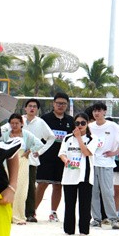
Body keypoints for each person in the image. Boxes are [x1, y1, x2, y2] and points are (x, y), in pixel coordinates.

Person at [88, 102, 119, 229]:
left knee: (107, 192)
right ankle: (96, 219)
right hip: (92, 162)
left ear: (104, 112)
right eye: (95, 111)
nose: (96, 113)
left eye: (99, 110)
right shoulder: (90, 126)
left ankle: (113, 219)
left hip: (106, 163)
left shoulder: (112, 126)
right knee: (93, 192)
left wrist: (115, 152)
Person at [35, 92, 73, 222]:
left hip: (62, 159)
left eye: (63, 104)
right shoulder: (45, 119)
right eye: (58, 103)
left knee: (58, 186)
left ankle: (53, 212)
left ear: (67, 105)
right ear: (53, 104)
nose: (60, 106)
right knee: (42, 184)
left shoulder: (70, 121)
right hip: (46, 157)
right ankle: (32, 211)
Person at [58, 113, 97, 235]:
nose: (80, 125)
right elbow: (62, 153)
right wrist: (65, 160)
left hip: (85, 176)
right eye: (77, 123)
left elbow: (86, 152)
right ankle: (69, 230)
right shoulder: (67, 138)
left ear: (87, 124)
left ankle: (84, 230)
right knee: (69, 204)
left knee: (84, 205)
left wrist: (79, 138)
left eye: (83, 123)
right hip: (69, 175)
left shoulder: (92, 138)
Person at [17, 98, 55, 222]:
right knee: (16, 185)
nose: (32, 108)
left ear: (37, 109)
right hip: (17, 158)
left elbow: (51, 137)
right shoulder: (19, 120)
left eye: (34, 106)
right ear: (25, 108)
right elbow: (5, 131)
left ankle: (30, 213)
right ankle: (15, 212)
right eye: (30, 106)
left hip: (31, 159)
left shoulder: (40, 122)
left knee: (30, 186)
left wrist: (39, 151)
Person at [1, 113, 39, 225]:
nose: (14, 125)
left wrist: (29, 151)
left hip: (22, 161)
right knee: (8, 187)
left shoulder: (26, 135)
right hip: (8, 161)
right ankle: (8, 215)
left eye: (16, 123)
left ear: (21, 123)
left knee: (21, 188)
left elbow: (39, 144)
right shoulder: (5, 135)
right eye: (12, 123)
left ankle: (19, 215)